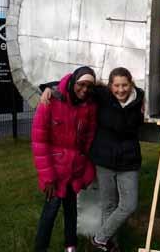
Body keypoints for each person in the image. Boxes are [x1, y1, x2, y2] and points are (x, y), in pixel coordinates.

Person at [40, 67, 145, 252]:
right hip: (104, 160)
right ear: (110, 86)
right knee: (109, 205)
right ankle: (110, 247)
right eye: (117, 85)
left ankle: (99, 238)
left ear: (131, 84)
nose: (121, 90)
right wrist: (49, 88)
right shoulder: (102, 95)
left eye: (125, 85)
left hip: (129, 160)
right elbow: (75, 83)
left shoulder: (139, 100)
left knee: (129, 205)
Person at [31, 66, 98, 252]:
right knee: (50, 212)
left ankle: (70, 245)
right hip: (55, 171)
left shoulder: (89, 105)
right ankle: (40, 247)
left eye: (89, 87)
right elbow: (39, 142)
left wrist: (86, 171)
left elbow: (88, 139)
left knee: (71, 210)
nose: (84, 90)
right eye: (81, 85)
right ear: (73, 82)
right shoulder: (50, 101)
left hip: (74, 170)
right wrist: (48, 177)